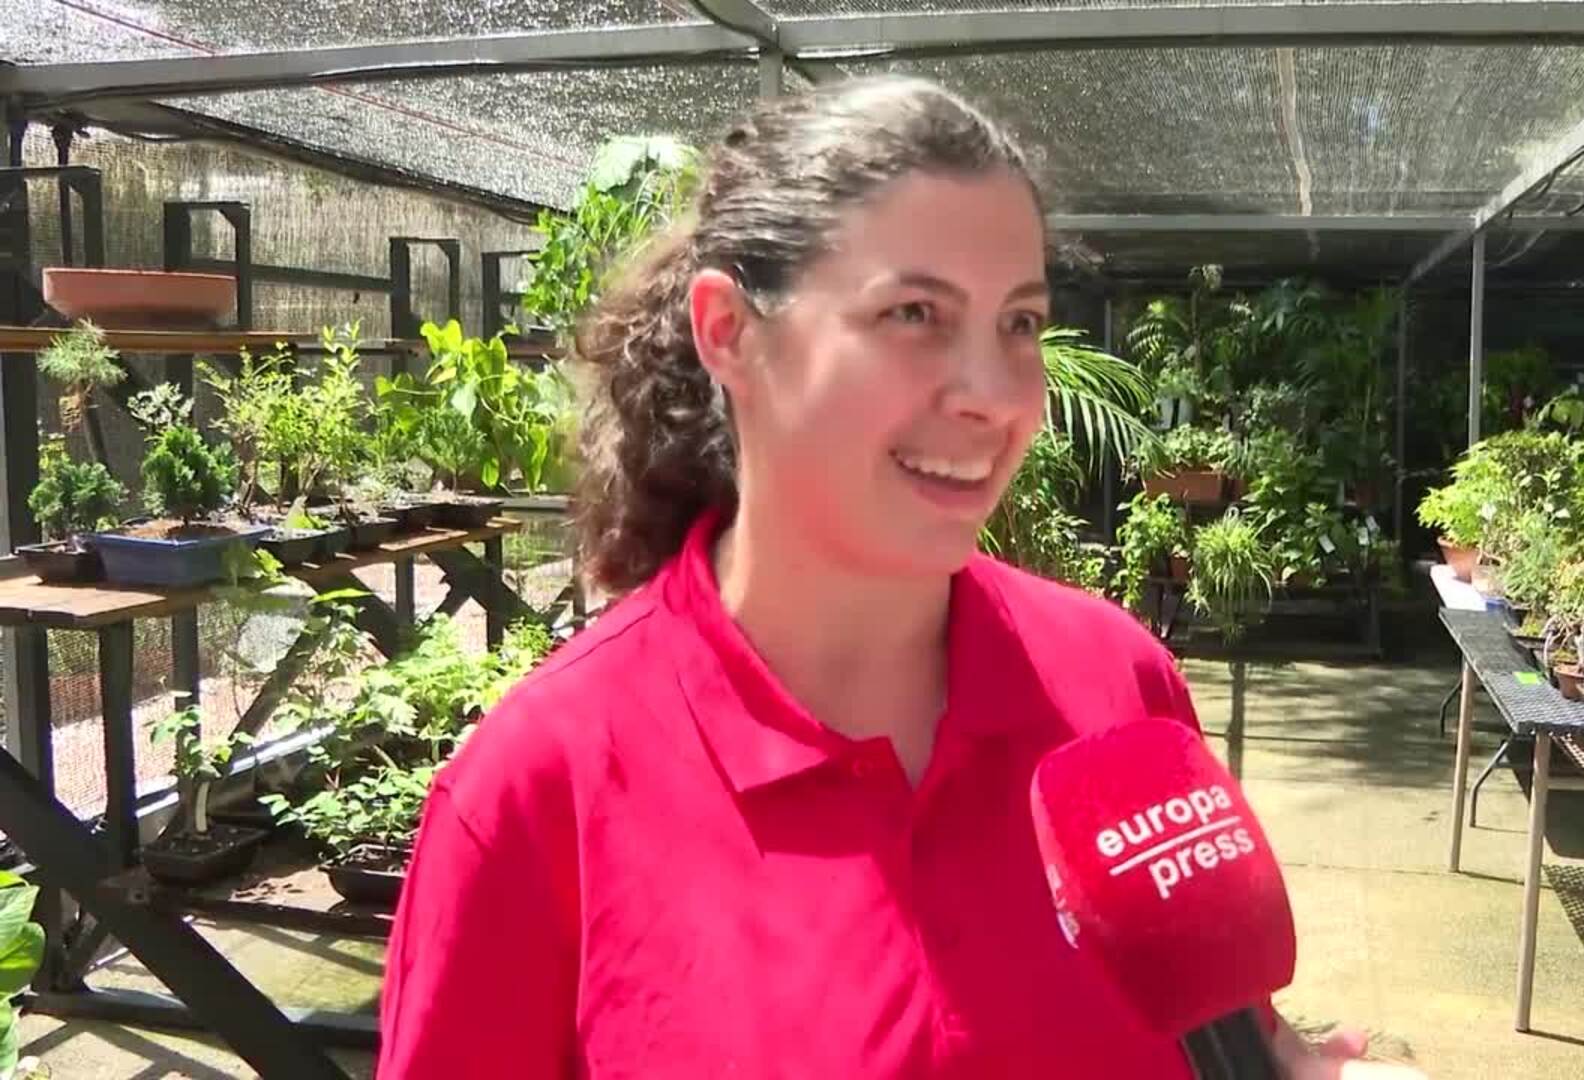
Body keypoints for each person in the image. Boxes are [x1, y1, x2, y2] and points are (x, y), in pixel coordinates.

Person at [377, 76, 1426, 1079]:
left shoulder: (1116, 683)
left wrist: (1282, 1065)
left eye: (1019, 323)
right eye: (914, 315)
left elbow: (1218, 1029)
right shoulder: (538, 789)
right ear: (730, 332)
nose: (993, 395)